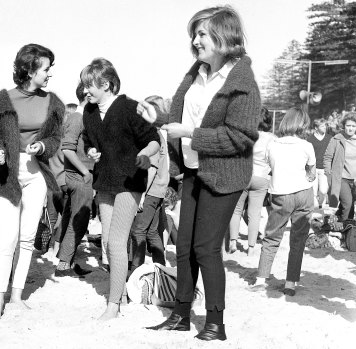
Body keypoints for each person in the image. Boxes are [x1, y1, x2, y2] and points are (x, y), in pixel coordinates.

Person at [140, 6, 260, 341]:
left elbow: (241, 137)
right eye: (194, 34)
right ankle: (180, 315)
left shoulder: (242, 83)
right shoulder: (196, 73)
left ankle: (215, 324)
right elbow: (183, 120)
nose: (195, 41)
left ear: (224, 37)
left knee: (206, 249)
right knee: (184, 247)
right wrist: (159, 119)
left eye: (202, 33)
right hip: (193, 171)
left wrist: (190, 135)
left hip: (225, 177)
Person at [0, 43, 65, 320]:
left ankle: (17, 295)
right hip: (7, 174)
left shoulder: (52, 101)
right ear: (29, 69)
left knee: (28, 238)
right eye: (46, 68)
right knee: (7, 238)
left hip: (36, 174)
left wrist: (43, 146)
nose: (49, 74)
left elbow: (55, 139)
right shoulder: (1, 99)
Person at [81, 57, 160, 321]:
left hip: (129, 181)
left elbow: (153, 139)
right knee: (107, 241)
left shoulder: (128, 107)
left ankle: (113, 305)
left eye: (89, 86)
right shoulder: (89, 113)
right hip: (104, 181)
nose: (85, 91)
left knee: (116, 240)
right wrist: (91, 151)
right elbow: (90, 143)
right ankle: (122, 294)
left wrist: (145, 155)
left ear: (106, 84)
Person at [254, 107, 315, 297]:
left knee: (272, 236)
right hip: (303, 193)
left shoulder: (272, 145)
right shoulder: (306, 145)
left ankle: (261, 278)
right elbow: (311, 173)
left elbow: (270, 167)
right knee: (298, 240)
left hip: (280, 194)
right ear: (302, 124)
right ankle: (290, 282)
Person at [54, 83, 94, 277]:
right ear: (87, 96)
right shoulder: (77, 119)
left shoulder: (78, 118)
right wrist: (86, 172)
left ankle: (66, 262)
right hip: (79, 178)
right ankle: (63, 265)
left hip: (76, 177)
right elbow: (67, 149)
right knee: (78, 221)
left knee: (71, 218)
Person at [128, 96, 171, 269]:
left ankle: (136, 272)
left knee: (138, 231)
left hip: (150, 190)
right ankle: (160, 269)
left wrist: (142, 195)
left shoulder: (152, 135)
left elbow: (151, 168)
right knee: (152, 232)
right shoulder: (159, 134)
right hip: (158, 190)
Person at [228, 107, 276, 255]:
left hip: (242, 174)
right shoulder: (272, 138)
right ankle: (251, 247)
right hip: (261, 177)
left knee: (236, 210)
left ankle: (233, 242)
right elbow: (274, 160)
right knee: (254, 214)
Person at [324, 113, 356, 221]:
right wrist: (328, 174)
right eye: (348, 125)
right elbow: (327, 158)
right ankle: (347, 229)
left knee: (344, 206)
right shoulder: (336, 139)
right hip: (341, 178)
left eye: (353, 126)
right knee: (348, 204)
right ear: (344, 126)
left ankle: (332, 223)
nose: (350, 128)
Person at [306, 118, 331, 208]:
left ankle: (321, 203)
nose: (325, 127)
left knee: (323, 190)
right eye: (322, 126)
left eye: (325, 125)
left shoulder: (329, 138)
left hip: (324, 168)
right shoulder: (310, 139)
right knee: (313, 190)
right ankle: (316, 207)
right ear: (316, 128)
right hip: (313, 168)